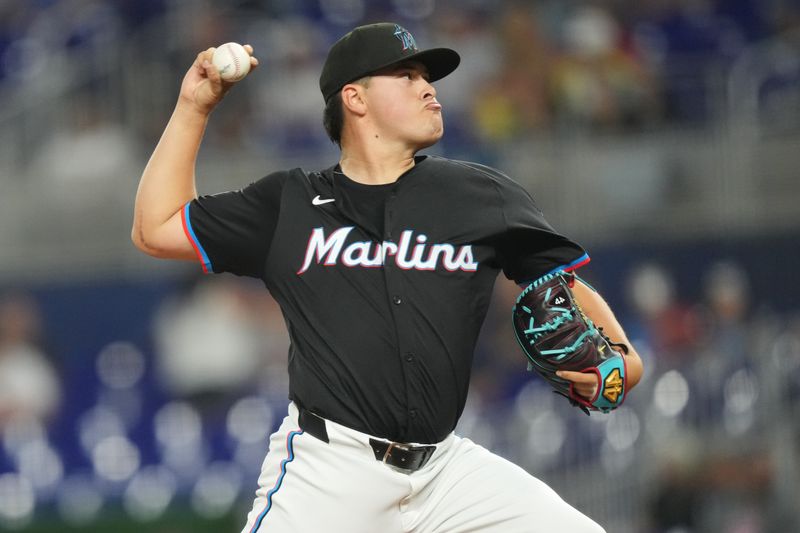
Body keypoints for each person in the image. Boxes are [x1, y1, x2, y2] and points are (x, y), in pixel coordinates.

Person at [132, 22, 643, 533]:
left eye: (428, 77)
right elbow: (155, 227)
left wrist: (623, 359)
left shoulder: (480, 195)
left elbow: (560, 284)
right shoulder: (288, 205)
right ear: (354, 98)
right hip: (330, 473)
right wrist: (193, 107)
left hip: (446, 474)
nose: (429, 87)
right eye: (406, 75)